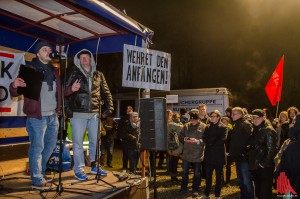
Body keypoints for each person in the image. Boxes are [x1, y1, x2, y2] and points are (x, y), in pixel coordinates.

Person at [9, 41, 61, 190]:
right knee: (37, 147)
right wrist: (14, 85)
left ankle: (40, 174)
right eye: (45, 49)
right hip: (37, 117)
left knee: (50, 146)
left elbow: (60, 92)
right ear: (38, 53)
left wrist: (71, 89)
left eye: (49, 49)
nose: (48, 51)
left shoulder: (54, 71)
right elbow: (15, 91)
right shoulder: (29, 69)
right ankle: (37, 179)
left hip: (53, 116)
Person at [64, 49, 113, 180]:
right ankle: (79, 169)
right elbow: (65, 92)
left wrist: (109, 108)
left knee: (95, 141)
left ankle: (95, 165)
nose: (84, 59)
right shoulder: (73, 73)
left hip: (95, 114)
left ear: (91, 59)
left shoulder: (99, 75)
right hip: (78, 113)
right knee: (78, 143)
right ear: (78, 60)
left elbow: (107, 92)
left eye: (86, 57)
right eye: (82, 57)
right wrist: (68, 111)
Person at [248, 109, 277, 199]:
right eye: (253, 118)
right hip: (256, 165)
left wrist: (262, 164)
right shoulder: (256, 129)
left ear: (263, 117)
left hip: (264, 168)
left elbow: (271, 150)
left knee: (265, 192)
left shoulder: (268, 130)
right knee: (258, 192)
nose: (255, 120)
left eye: (257, 118)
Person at [179, 109, 206, 197]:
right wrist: (184, 139)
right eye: (191, 120)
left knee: (197, 173)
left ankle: (195, 189)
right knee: (184, 172)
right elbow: (180, 136)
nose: (193, 121)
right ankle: (183, 188)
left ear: (198, 119)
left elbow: (206, 139)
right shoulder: (186, 126)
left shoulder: (204, 127)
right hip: (186, 153)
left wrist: (198, 141)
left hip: (198, 154)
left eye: (195, 120)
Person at [229, 107, 255, 199]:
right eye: (232, 114)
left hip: (244, 158)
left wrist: (245, 152)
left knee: (246, 180)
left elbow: (250, 141)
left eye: (234, 114)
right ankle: (244, 196)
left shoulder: (245, 124)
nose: (232, 116)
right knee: (241, 180)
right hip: (238, 157)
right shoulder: (236, 124)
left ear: (241, 114)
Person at [202, 110, 227, 199]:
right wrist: (214, 139)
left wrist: (210, 140)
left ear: (218, 117)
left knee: (218, 177)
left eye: (214, 116)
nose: (212, 118)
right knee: (208, 177)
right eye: (211, 116)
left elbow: (222, 139)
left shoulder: (223, 127)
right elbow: (204, 138)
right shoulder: (207, 127)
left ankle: (217, 195)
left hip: (218, 156)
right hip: (209, 155)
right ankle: (206, 194)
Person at [275, 114, 300, 196]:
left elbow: (283, 170)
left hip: (292, 188)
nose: (291, 124)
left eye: (294, 121)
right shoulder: (290, 142)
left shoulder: (293, 146)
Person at [166, 110, 183, 183]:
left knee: (172, 162)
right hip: (176, 146)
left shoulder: (167, 124)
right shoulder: (174, 125)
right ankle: (174, 178)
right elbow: (182, 130)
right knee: (174, 162)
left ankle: (172, 177)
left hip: (170, 146)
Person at [117, 105, 133, 173]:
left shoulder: (134, 118)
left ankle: (132, 168)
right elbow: (119, 128)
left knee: (132, 154)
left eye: (130, 111)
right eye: (127, 111)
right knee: (125, 154)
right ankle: (124, 168)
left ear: (132, 111)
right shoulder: (123, 119)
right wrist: (120, 137)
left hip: (132, 140)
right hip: (124, 139)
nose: (128, 112)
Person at [221, 116, 233, 185]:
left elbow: (232, 142)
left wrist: (229, 151)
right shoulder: (219, 129)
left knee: (228, 166)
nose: (223, 123)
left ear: (228, 122)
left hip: (228, 151)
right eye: (222, 121)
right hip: (220, 150)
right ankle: (222, 180)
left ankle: (228, 181)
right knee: (221, 167)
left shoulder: (231, 130)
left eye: (225, 121)